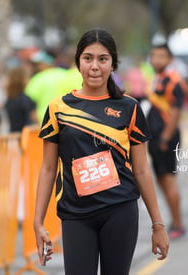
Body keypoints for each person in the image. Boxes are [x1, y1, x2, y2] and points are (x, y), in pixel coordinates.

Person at [33, 28, 169, 275]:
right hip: (75, 214)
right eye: (88, 58)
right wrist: (37, 222)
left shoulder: (129, 108)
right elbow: (48, 168)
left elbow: (140, 170)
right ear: (78, 62)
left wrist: (157, 225)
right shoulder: (58, 108)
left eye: (102, 59)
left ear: (113, 64)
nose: (95, 66)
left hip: (120, 211)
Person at [147, 43, 186, 240]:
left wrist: (165, 137)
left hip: (165, 138)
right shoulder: (156, 79)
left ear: (169, 59)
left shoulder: (174, 81)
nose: (157, 60)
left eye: (162, 56)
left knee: (169, 180)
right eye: (154, 56)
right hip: (154, 138)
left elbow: (176, 112)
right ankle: (173, 221)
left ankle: (178, 223)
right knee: (161, 179)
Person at [25, 51, 67, 125]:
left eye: (38, 64)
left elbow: (28, 101)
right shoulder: (66, 74)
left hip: (46, 121)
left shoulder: (38, 78)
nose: (37, 67)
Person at [4, 66, 37, 132]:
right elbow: (34, 119)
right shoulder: (25, 99)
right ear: (22, 80)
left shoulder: (9, 99)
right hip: (26, 135)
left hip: (13, 135)